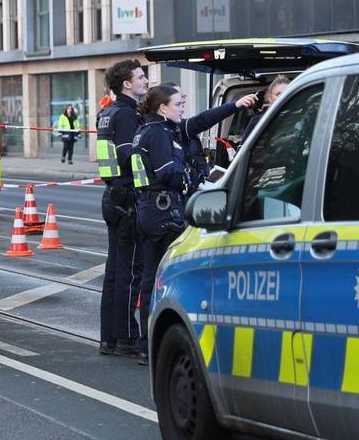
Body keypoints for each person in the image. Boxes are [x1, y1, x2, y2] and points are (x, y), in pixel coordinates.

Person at [131, 84, 256, 365]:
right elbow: (168, 174)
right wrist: (190, 177)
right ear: (163, 107)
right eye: (178, 103)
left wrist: (233, 106)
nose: (182, 108)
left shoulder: (154, 129)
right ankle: (158, 345)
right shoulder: (159, 133)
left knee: (151, 277)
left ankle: (147, 344)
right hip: (163, 212)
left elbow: (200, 121)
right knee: (167, 278)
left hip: (151, 210)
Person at [95, 60, 148, 358]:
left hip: (113, 196)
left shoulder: (108, 113)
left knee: (114, 271)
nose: (146, 80)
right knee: (129, 272)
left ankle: (110, 338)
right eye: (141, 76)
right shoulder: (127, 115)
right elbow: (132, 156)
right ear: (126, 84)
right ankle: (127, 337)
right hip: (128, 197)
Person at [241, 75, 291, 141]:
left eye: (286, 93)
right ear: (270, 98)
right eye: (278, 94)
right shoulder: (259, 120)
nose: (283, 97)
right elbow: (245, 147)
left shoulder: (301, 115)